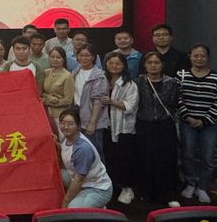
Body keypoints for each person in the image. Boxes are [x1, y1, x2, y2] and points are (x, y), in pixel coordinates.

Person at [178, 44, 217, 204]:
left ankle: (203, 187)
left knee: (208, 157)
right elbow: (177, 98)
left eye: (203, 55)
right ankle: (190, 183)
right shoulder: (181, 75)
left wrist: (204, 120)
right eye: (196, 55)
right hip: (187, 122)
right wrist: (188, 117)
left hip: (209, 125)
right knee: (188, 155)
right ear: (190, 57)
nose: (199, 58)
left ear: (208, 58)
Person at [135, 51, 181, 207]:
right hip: (144, 125)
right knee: (146, 158)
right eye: (149, 63)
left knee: (166, 159)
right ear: (144, 65)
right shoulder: (138, 82)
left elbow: (175, 104)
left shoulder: (172, 83)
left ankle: (168, 194)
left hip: (165, 126)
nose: (153, 65)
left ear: (162, 65)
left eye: (156, 62)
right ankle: (146, 192)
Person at [99, 52, 138, 205]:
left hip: (122, 128)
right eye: (110, 63)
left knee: (125, 159)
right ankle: (113, 187)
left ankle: (127, 188)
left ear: (123, 66)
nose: (114, 66)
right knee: (109, 158)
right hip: (104, 126)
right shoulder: (101, 79)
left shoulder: (129, 84)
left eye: (118, 63)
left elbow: (131, 106)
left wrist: (112, 102)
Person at [57, 108, 113, 208]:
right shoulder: (68, 137)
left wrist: (65, 201)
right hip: (82, 181)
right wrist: (54, 143)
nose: (66, 127)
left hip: (97, 188)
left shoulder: (83, 148)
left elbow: (79, 179)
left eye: (70, 124)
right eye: (63, 123)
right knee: (55, 174)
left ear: (78, 126)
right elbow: (68, 150)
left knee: (72, 208)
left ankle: (97, 207)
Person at [71, 44, 108, 158]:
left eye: (87, 55)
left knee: (95, 152)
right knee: (82, 152)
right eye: (81, 55)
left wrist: (92, 124)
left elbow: (98, 102)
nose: (84, 58)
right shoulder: (75, 72)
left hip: (92, 120)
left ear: (93, 57)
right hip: (78, 117)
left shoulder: (99, 76)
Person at [41, 47, 74, 131]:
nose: (55, 59)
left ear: (63, 59)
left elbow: (68, 100)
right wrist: (49, 97)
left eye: (58, 57)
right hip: (45, 114)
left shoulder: (68, 76)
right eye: (52, 57)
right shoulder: (46, 72)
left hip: (60, 115)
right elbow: (41, 92)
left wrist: (48, 102)